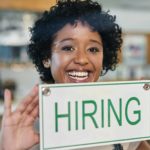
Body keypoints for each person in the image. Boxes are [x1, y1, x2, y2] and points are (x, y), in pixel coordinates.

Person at [0, 0, 150, 149]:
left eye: (93, 49)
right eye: (68, 48)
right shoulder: (27, 127)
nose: (81, 59)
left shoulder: (121, 115)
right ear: (46, 57)